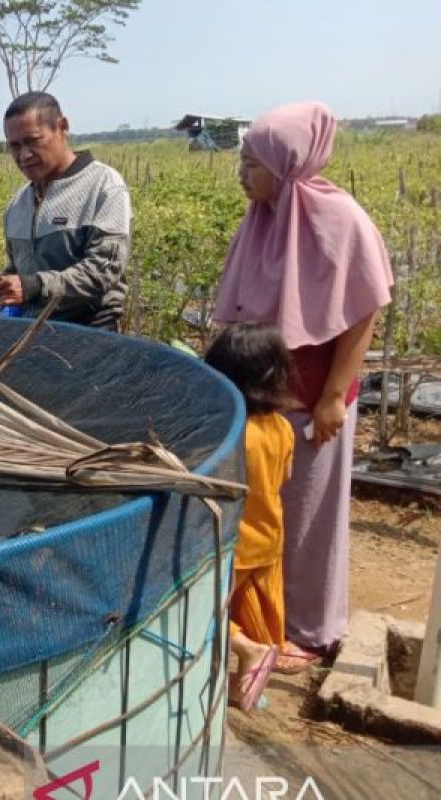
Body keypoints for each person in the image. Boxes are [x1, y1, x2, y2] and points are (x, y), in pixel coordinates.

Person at [214, 101, 394, 671]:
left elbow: (362, 311)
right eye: (242, 161)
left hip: (315, 401)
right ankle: (266, 625)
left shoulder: (340, 219)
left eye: (252, 163)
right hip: (265, 398)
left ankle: (310, 631)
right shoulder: (263, 218)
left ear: (287, 165)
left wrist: (332, 398)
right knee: (267, 514)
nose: (242, 174)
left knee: (310, 520)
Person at [205, 323, 296, 710]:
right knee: (260, 614)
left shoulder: (229, 434)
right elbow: (285, 477)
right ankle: (248, 686)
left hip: (233, 544)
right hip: (268, 539)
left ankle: (245, 649)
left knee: (209, 613)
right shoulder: (281, 428)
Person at [0, 92, 131, 329]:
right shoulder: (17, 205)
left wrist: (36, 286)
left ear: (62, 127)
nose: (24, 155)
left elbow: (104, 269)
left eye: (33, 141)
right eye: (15, 146)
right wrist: (1, 294)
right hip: (30, 334)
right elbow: (16, 270)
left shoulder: (102, 184)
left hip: (90, 332)